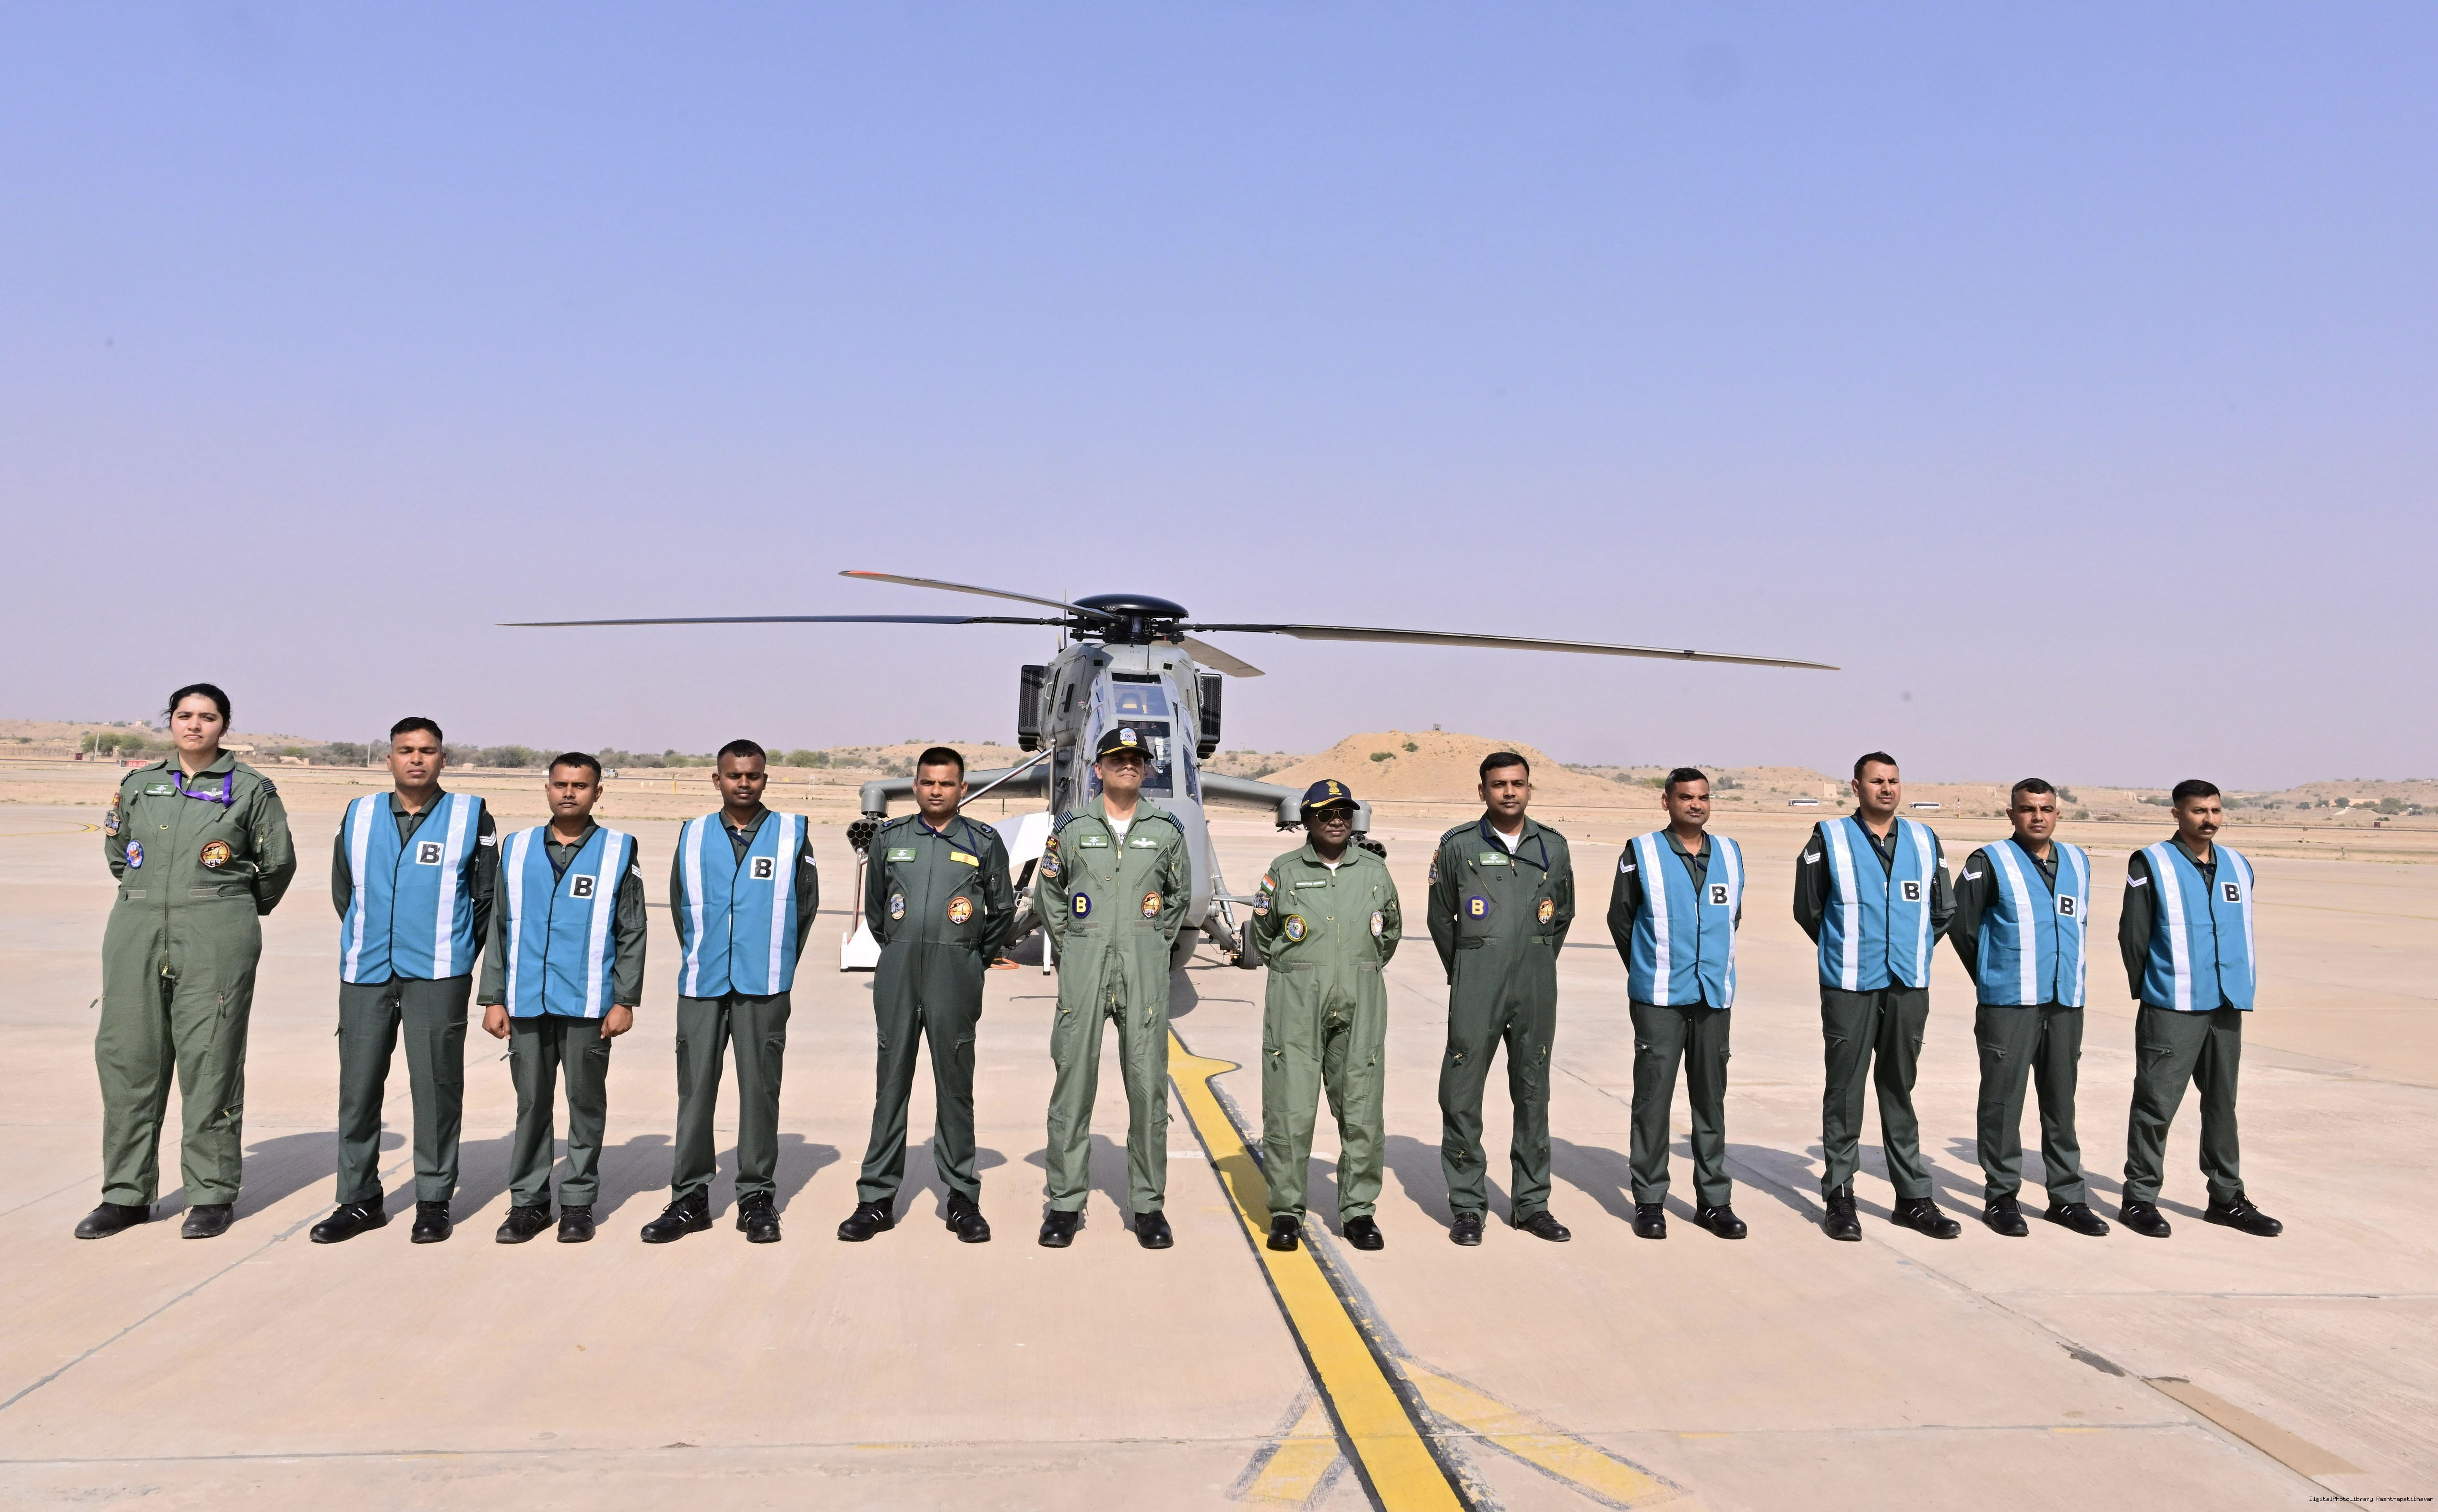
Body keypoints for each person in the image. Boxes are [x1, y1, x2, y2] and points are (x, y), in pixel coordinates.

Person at [76, 683, 297, 1240]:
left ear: (224, 725)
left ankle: (210, 1193)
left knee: (210, 1058)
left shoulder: (250, 789)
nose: (194, 725)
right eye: (184, 715)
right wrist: (151, 896)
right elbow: (118, 854)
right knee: (127, 1058)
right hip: (137, 926)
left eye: (207, 716)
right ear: (170, 721)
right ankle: (125, 1194)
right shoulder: (139, 784)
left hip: (215, 930)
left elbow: (277, 864)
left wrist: (228, 904)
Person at [312, 717, 497, 1246]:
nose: (417, 758)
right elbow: (345, 888)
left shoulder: (471, 815)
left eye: (428, 750)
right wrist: (371, 935)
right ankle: (359, 1199)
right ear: (388, 758)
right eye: (406, 749)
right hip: (366, 971)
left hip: (438, 972)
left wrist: (455, 948)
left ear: (444, 759)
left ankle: (433, 1200)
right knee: (358, 1088)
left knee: (436, 1086)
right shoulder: (360, 812)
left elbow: (485, 896)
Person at [639, 740, 819, 1246]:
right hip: (703, 979)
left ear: (765, 779)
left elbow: (805, 907)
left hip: (764, 982)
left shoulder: (791, 833)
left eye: (753, 775)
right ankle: (690, 1198)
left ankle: (756, 1197)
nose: (744, 783)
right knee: (695, 1090)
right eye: (734, 775)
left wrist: (772, 957)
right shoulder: (693, 834)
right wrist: (707, 950)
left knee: (760, 1090)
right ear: (716, 779)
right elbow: (680, 903)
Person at [838, 746, 1015, 1245]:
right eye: (928, 782)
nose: (937, 790)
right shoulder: (890, 838)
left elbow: (1001, 910)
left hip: (954, 973)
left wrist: (969, 957)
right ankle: (876, 1199)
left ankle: (961, 1197)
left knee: (954, 1087)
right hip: (898, 971)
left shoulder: (983, 841)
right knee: (890, 1084)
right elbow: (877, 909)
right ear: (915, 786)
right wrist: (901, 947)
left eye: (946, 783)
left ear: (962, 789)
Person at [477, 753, 646, 1244]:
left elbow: (632, 928)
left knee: (585, 1102)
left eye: (580, 785)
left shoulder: (618, 849)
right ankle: (527, 1203)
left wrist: (625, 998)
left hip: (589, 1002)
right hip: (525, 1000)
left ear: (597, 792)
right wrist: (493, 996)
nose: (569, 792)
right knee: (531, 1104)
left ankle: (577, 1202)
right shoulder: (518, 846)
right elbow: (500, 925)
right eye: (560, 784)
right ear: (547, 788)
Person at [1034, 726, 1191, 1250]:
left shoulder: (1166, 831)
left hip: (1143, 972)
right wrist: (1076, 944)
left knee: (1148, 1090)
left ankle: (1147, 1205)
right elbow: (1049, 892)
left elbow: (1177, 898)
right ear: (1097, 768)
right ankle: (1064, 1203)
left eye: (1136, 759)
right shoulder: (1072, 828)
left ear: (1145, 769)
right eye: (1118, 758)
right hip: (1085, 968)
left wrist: (1149, 944)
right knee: (1073, 1086)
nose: (1128, 764)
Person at [1793, 752, 1960, 1241]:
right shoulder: (1829, 838)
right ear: (1856, 787)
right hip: (1849, 983)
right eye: (1876, 781)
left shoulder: (1924, 839)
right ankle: (1840, 1196)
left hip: (1907, 984)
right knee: (1844, 1090)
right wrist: (1846, 948)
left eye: (1893, 781)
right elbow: (1808, 909)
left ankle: (1912, 1197)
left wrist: (1909, 948)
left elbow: (1942, 909)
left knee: (1899, 1088)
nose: (1886, 789)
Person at [2115, 780, 2282, 1238]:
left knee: (2222, 1103)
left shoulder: (2238, 865)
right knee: (2155, 1104)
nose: (2208, 819)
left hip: (2226, 1004)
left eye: (2214, 810)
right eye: (2197, 811)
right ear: (2177, 814)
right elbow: (2133, 935)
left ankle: (2226, 1198)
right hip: (2172, 1004)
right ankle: (2139, 1197)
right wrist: (2153, 990)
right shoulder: (2151, 862)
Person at [1946, 778, 2108, 1238]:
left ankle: (2067, 1197)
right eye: (2027, 809)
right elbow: (1962, 925)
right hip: (2009, 1004)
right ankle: (2001, 1196)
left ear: (2057, 812)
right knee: (2002, 1100)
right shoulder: (1988, 861)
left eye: (2046, 808)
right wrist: (1993, 972)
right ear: (2011, 814)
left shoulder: (2077, 862)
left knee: (2060, 1102)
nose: (2038, 816)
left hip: (2064, 1002)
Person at [1427, 751, 1575, 1246]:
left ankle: (1532, 1204)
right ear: (1482, 791)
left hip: (1534, 983)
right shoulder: (1458, 846)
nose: (1508, 792)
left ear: (1529, 788)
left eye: (1517, 783)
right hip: (1477, 982)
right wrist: (1468, 967)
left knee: (1533, 1092)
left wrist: (1535, 957)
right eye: (1498, 784)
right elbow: (1439, 916)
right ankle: (1467, 1205)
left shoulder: (1553, 846)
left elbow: (1562, 915)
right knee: (1461, 1093)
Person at [1250, 780, 1401, 1253]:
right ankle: (1285, 1211)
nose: (1336, 820)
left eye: (1343, 813)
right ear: (1306, 820)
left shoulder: (1374, 871)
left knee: (1361, 1108)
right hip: (1296, 1001)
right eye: (1325, 813)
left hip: (1360, 999)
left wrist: (1356, 969)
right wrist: (1303, 971)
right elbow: (1262, 933)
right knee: (1290, 1109)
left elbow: (1389, 933)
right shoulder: (1284, 870)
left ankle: (1358, 1212)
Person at [1605, 767, 1746, 1241]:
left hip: (1713, 996)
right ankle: (1649, 1200)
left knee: (1710, 1101)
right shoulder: (1641, 851)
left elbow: (1731, 918)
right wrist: (1649, 967)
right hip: (1660, 997)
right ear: (1666, 801)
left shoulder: (1729, 853)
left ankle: (1714, 1201)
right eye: (1685, 797)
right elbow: (1621, 919)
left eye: (1702, 797)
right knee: (1653, 1099)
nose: (1695, 804)